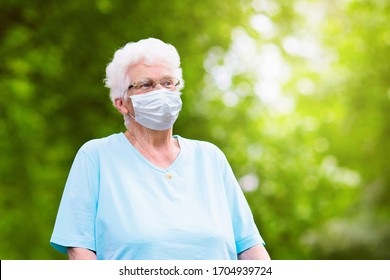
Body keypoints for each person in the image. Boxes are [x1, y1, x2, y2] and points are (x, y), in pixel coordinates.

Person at [50, 38, 271, 260]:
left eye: (167, 83)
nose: (161, 92)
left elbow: (249, 249)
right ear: (121, 103)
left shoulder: (210, 158)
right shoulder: (96, 156)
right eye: (146, 85)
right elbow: (80, 250)